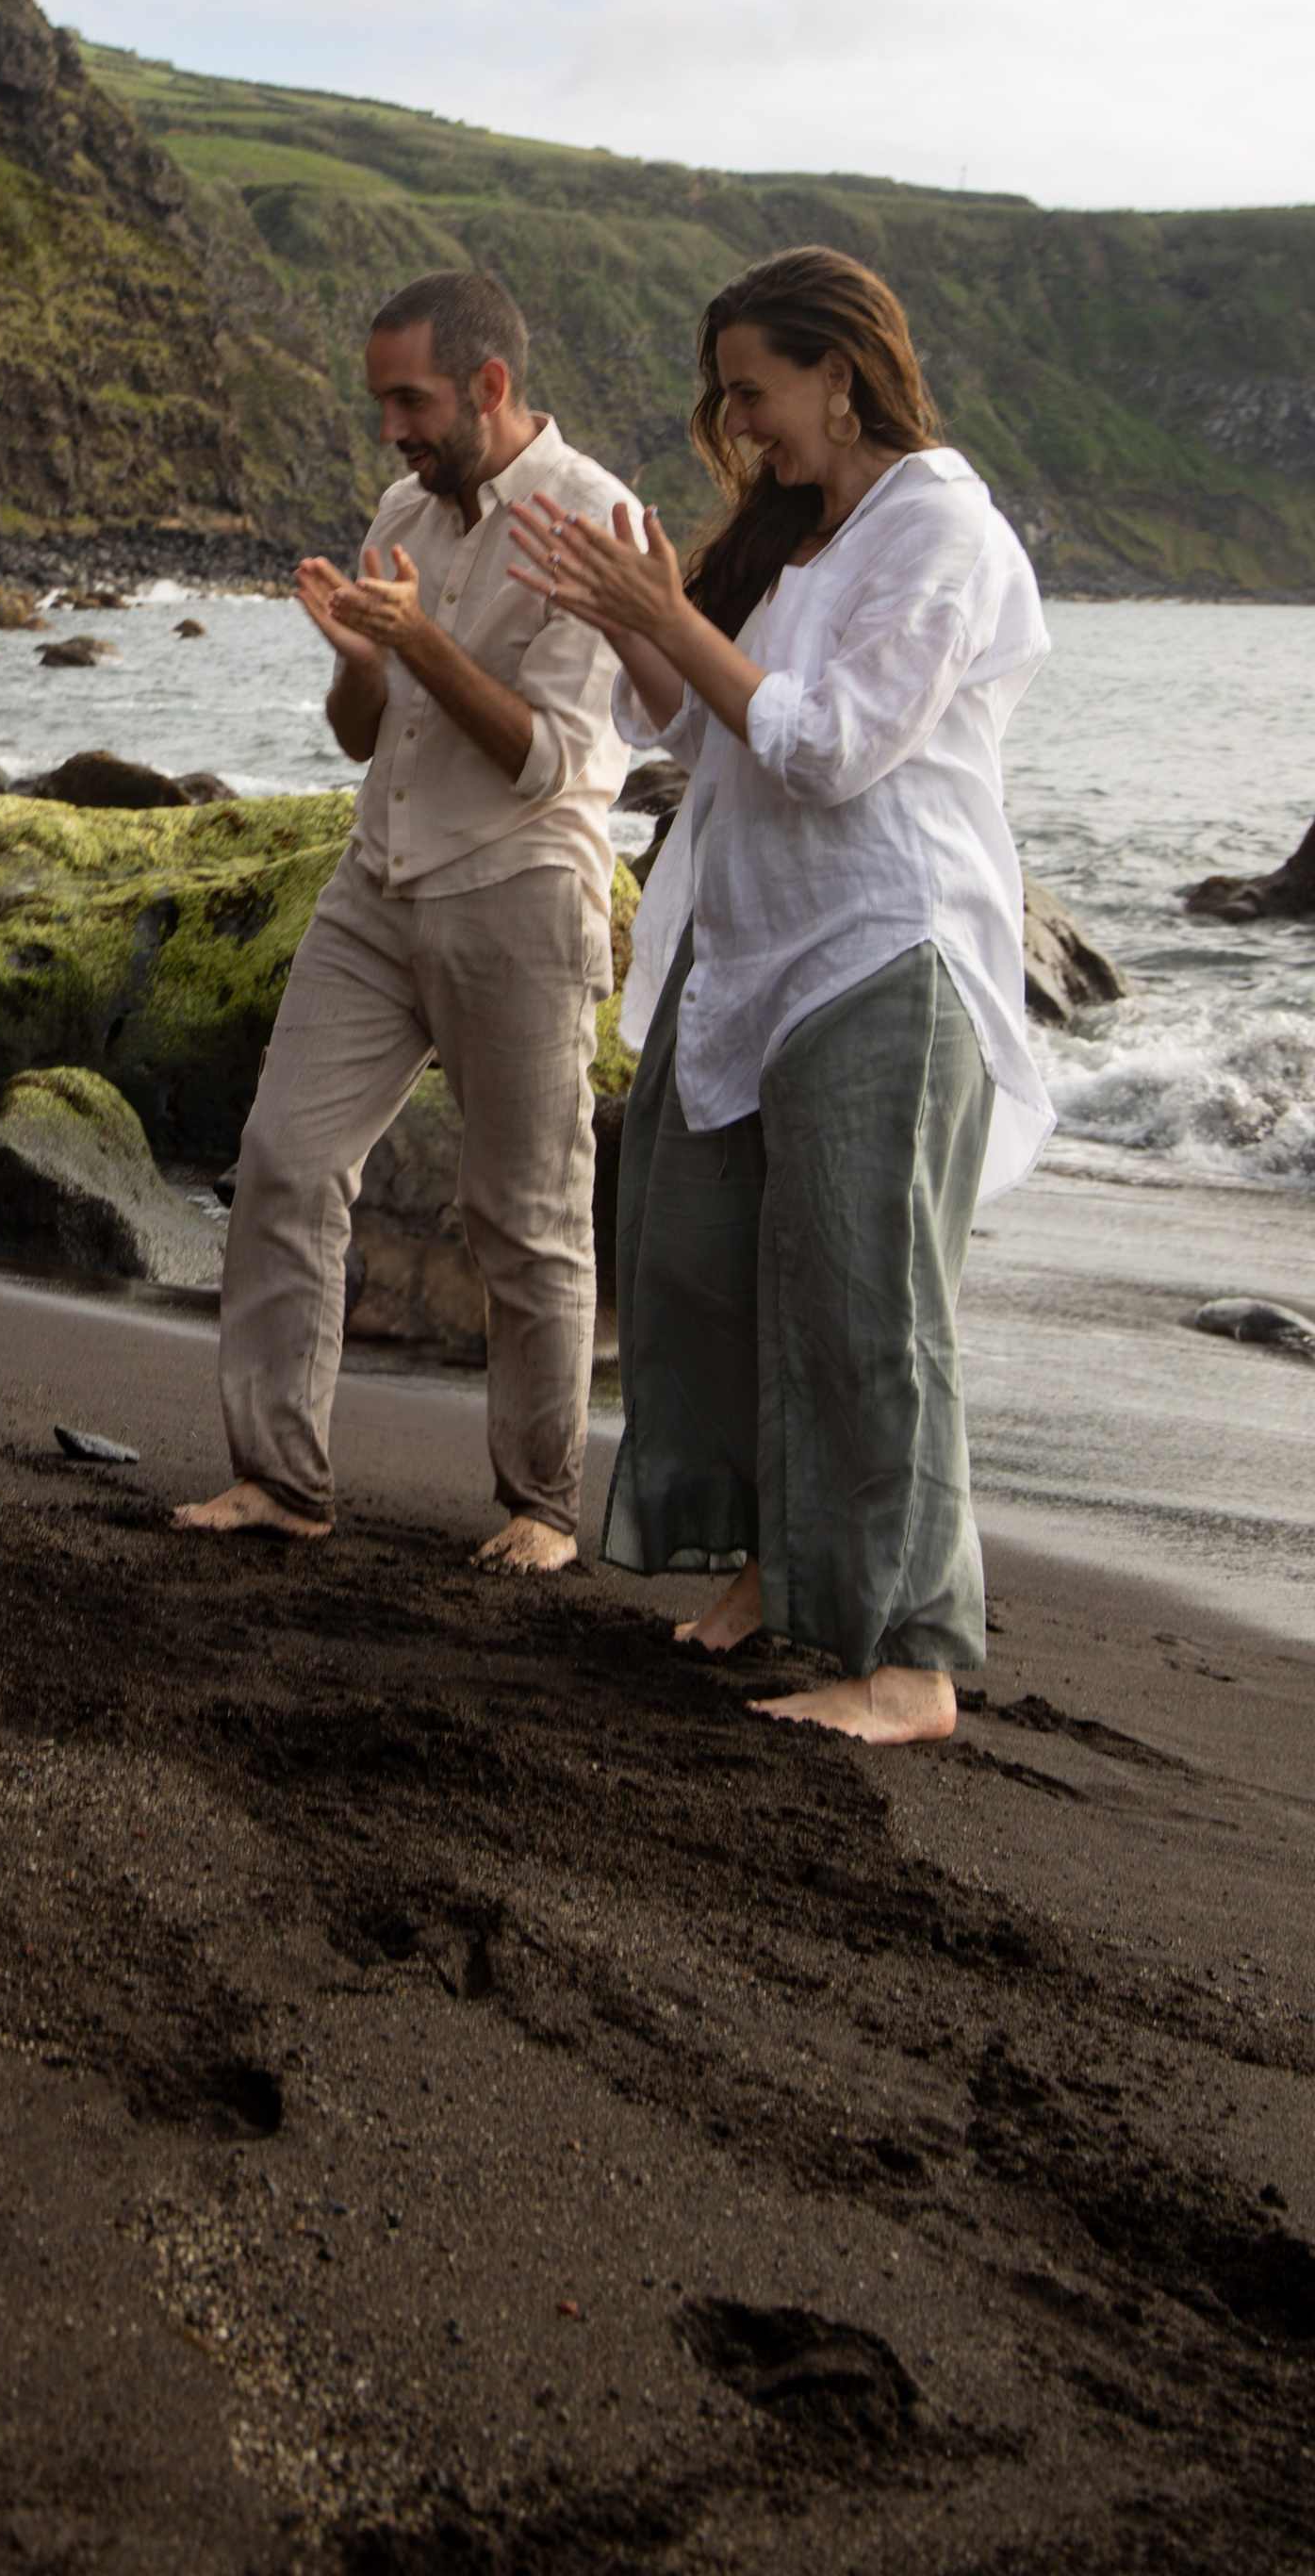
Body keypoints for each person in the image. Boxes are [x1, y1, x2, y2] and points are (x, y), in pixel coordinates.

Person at [503, 245, 1051, 1744]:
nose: (737, 423)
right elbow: (698, 723)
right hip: (746, 956)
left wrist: (671, 618)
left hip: (887, 951)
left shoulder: (941, 529)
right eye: (727, 397)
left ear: (841, 373)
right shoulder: (804, 538)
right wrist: (631, 609)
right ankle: (773, 1569)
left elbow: (832, 747)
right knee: (693, 1268)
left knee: (869, 1312)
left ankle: (909, 1661)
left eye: (755, 391)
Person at [173, 268, 641, 1567]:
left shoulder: (594, 521)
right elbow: (365, 733)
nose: (393, 430)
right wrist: (361, 660)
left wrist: (423, 642)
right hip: (377, 880)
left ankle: (541, 1506)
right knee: (283, 1162)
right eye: (383, 401)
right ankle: (280, 1479)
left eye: (412, 400)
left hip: (521, 890)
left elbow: (549, 760)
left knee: (528, 1213)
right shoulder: (406, 507)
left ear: (491, 385)